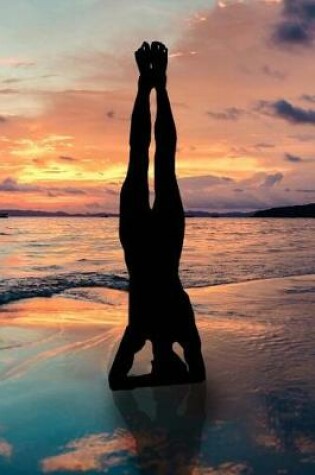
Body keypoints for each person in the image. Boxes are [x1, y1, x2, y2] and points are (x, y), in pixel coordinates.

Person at [109, 42, 205, 390]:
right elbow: (118, 381)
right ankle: (151, 85)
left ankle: (153, 86)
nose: (151, 360)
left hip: (158, 239)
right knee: (151, 160)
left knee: (158, 160)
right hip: (146, 241)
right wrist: (155, 378)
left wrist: (160, 377)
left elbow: (197, 376)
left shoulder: (181, 330)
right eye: (155, 363)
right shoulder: (139, 332)